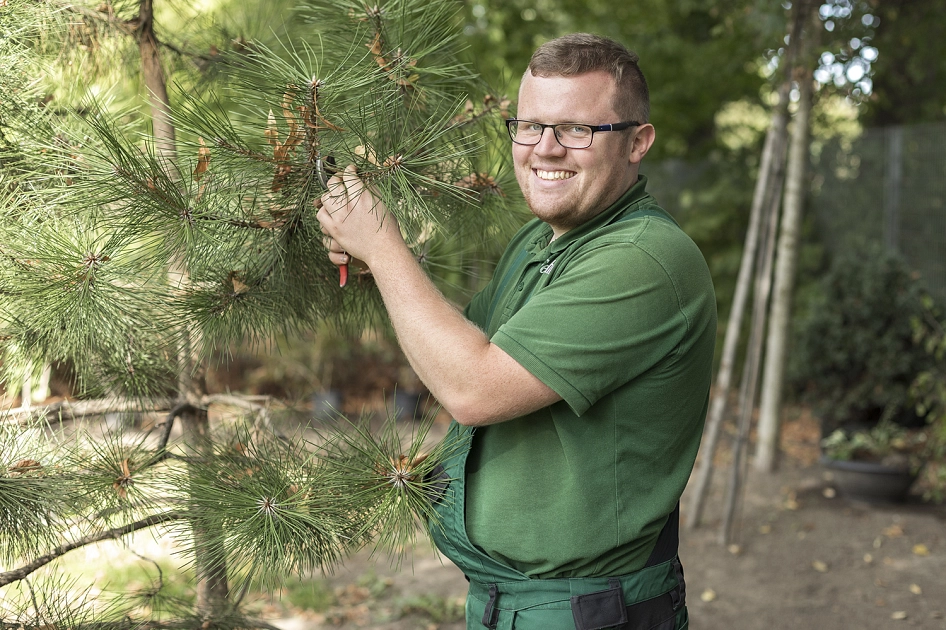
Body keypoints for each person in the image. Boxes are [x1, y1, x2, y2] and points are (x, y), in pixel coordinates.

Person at [317, 33, 716, 630]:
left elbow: (473, 388)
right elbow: (450, 349)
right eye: (528, 125)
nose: (545, 149)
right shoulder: (540, 243)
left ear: (638, 142)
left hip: (588, 612)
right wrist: (375, 260)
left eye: (577, 130)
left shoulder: (646, 258)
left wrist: (383, 246)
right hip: (508, 600)